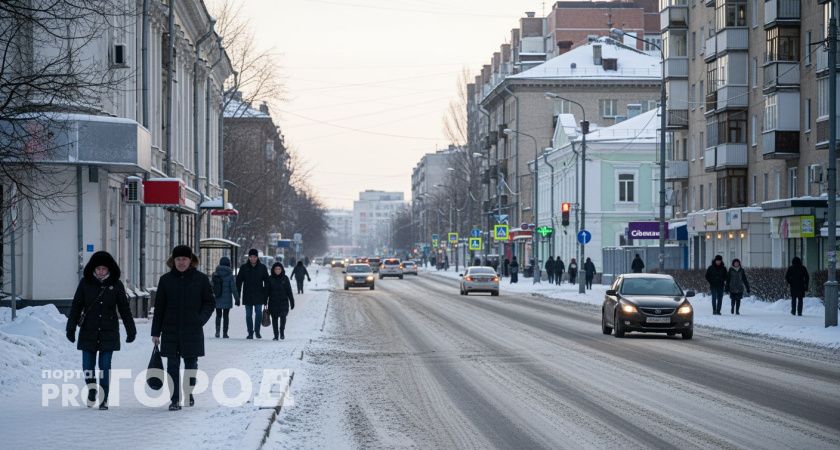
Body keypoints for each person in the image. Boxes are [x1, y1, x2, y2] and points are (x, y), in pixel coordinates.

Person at [66, 251, 136, 410]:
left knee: (104, 366)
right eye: (98, 269)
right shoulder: (85, 283)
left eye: (104, 269)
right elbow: (76, 306)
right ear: (93, 268)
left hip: (108, 331)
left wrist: (131, 330)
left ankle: (104, 398)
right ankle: (92, 390)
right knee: (87, 366)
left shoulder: (116, 285)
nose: (101, 272)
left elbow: (124, 309)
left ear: (109, 269)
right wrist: (70, 329)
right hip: (88, 331)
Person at [151, 245, 215, 411]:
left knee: (191, 364)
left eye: (184, 259)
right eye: (178, 259)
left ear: (190, 260)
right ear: (173, 261)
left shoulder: (201, 279)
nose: (181, 262)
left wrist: (200, 319)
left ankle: (189, 391)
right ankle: (175, 399)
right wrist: (155, 332)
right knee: (172, 365)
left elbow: (209, 302)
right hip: (170, 329)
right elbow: (159, 307)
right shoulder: (165, 280)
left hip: (192, 329)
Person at [236, 249, 269, 339]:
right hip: (247, 295)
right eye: (251, 257)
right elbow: (238, 282)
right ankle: (250, 332)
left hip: (259, 295)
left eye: (254, 257)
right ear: (249, 257)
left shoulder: (262, 268)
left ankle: (257, 331)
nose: (253, 258)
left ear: (257, 257)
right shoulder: (244, 268)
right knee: (248, 315)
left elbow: (267, 282)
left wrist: (265, 296)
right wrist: (237, 296)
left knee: (258, 314)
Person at [266, 263, 295, 340]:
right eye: (276, 269)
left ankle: (282, 331)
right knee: (274, 319)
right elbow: (267, 291)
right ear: (273, 270)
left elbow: (289, 291)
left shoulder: (285, 278)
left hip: (283, 302)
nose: (277, 270)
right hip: (273, 302)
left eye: (279, 269)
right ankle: (276, 335)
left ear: (282, 270)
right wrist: (265, 300)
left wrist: (292, 301)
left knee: (283, 317)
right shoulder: (270, 278)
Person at [211, 256, 239, 338]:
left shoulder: (215, 274)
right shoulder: (230, 275)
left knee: (218, 315)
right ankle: (225, 333)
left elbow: (211, 286)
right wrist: (237, 299)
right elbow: (233, 288)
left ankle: (217, 331)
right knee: (226, 316)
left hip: (217, 297)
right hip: (227, 299)